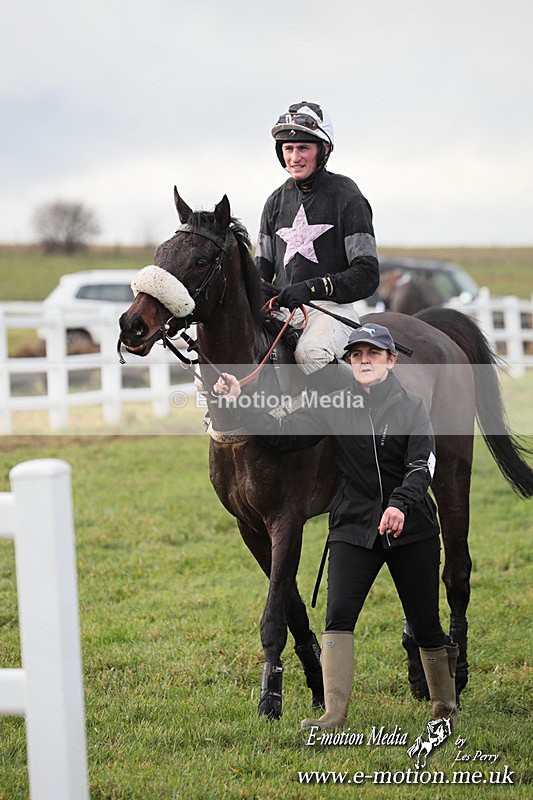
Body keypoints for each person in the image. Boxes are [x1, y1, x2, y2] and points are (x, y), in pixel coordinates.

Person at [214, 323, 458, 731]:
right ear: (349, 362)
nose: (365, 361)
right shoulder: (336, 403)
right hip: (353, 526)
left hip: (411, 526)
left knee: (425, 623)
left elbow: (423, 466)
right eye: (357, 355)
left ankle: (444, 709)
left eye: (374, 354)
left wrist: (400, 505)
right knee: (338, 619)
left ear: (390, 361)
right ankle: (334, 715)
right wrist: (239, 402)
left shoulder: (412, 407)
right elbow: (285, 433)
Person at [256, 100, 379, 376]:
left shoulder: (348, 197)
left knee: (310, 354)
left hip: (331, 311)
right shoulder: (274, 202)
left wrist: (312, 288)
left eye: (303, 148)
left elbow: (367, 275)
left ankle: (359, 410)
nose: (295, 157)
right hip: (283, 311)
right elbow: (260, 271)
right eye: (288, 149)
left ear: (323, 150)